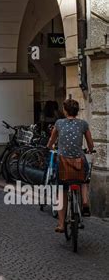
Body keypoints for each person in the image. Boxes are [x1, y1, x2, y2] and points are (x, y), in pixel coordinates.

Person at [46, 98, 94, 231]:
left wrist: (49, 146)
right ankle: (85, 201)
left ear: (65, 110)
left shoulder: (59, 123)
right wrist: (90, 149)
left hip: (63, 162)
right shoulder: (83, 124)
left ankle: (61, 224)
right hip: (79, 161)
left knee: (62, 191)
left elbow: (52, 139)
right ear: (77, 111)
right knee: (84, 179)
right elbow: (90, 143)